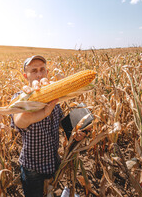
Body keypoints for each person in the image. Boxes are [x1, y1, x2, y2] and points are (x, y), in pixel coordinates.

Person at [10, 55, 85, 197]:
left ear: (47, 73)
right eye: (34, 71)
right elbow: (19, 122)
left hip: (53, 162)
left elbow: (61, 123)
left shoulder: (55, 99)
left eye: (42, 70)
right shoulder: (20, 98)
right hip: (33, 169)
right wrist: (37, 108)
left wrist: (77, 131)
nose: (38, 75)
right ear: (26, 76)